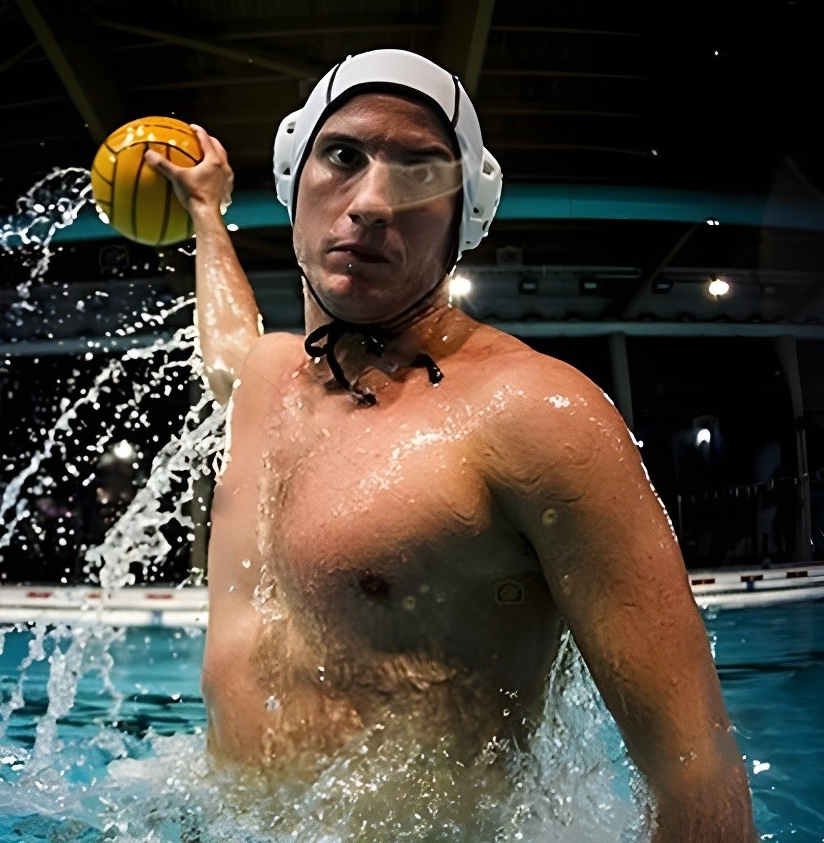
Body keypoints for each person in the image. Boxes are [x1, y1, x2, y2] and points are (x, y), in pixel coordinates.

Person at [147, 50, 759, 842]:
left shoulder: (537, 414)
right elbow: (229, 349)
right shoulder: (271, 379)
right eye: (342, 156)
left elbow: (696, 774)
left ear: (466, 216)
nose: (370, 201)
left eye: (420, 173)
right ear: (293, 178)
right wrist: (205, 214)